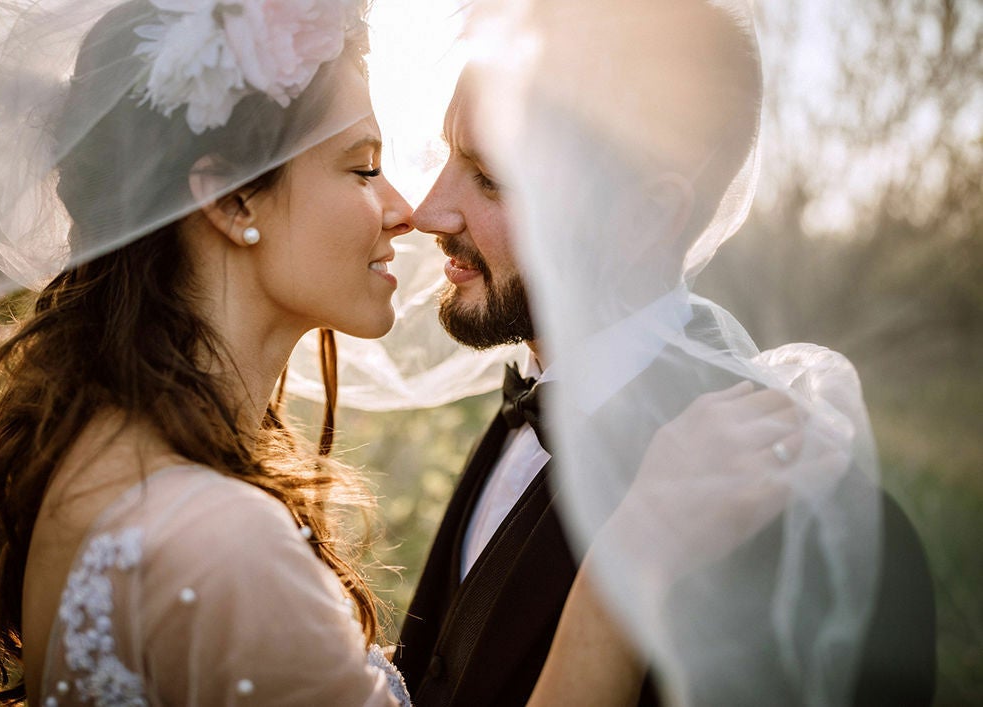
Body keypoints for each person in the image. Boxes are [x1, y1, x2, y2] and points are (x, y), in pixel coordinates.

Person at [397, 1, 936, 705]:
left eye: (491, 177)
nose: (427, 211)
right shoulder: (527, 403)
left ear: (644, 219)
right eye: (444, 157)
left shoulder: (797, 527)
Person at [0, 0, 422, 703]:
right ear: (231, 200)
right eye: (363, 168)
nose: (405, 209)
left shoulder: (98, 455)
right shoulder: (223, 541)